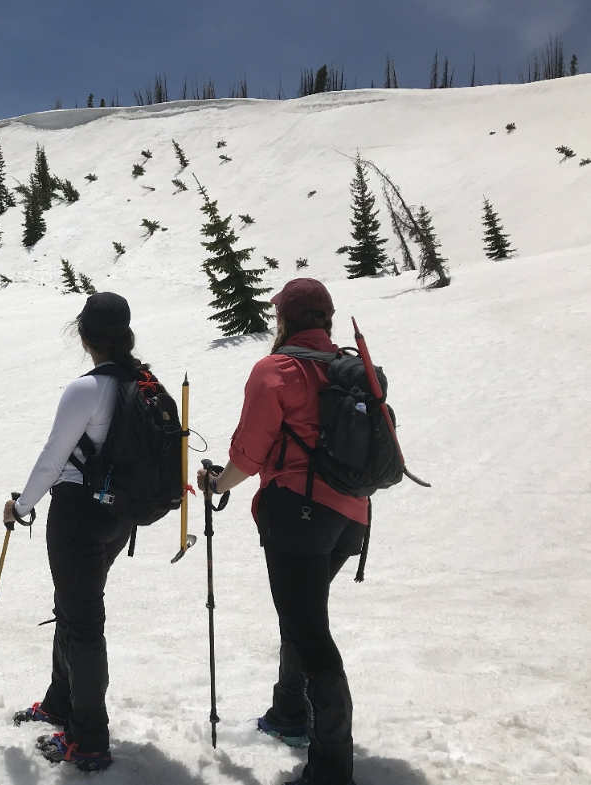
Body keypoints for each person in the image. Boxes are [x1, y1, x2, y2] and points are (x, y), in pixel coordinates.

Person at [197, 278, 367, 785]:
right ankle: (289, 713)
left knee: (310, 633)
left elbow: (249, 453)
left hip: (299, 514)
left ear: (285, 320)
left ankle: (331, 768)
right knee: (302, 614)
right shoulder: (347, 368)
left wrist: (217, 484)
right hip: (351, 516)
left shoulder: (277, 370)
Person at [4, 292, 155, 773]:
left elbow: (53, 459)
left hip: (77, 516)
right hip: (118, 517)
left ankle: (88, 741)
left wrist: (20, 506)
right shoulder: (144, 384)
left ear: (85, 336)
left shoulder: (86, 389)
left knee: (84, 622)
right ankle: (59, 702)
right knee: (72, 607)